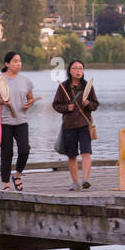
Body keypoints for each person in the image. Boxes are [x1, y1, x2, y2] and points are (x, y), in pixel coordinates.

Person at [0, 51, 36, 191]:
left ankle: (17, 175)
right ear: (7, 64)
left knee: (25, 150)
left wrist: (29, 104)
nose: (18, 64)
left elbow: (31, 99)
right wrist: (1, 101)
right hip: (5, 122)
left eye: (19, 61)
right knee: (7, 153)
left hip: (21, 120)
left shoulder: (25, 80)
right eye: (15, 61)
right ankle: (6, 184)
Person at [52, 59, 99, 190]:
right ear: (69, 71)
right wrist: (67, 108)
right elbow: (55, 105)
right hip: (69, 125)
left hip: (85, 124)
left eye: (80, 68)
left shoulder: (87, 86)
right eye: (75, 68)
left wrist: (88, 104)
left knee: (86, 152)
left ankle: (85, 180)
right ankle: (75, 182)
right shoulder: (63, 87)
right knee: (72, 154)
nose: (78, 71)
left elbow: (95, 105)